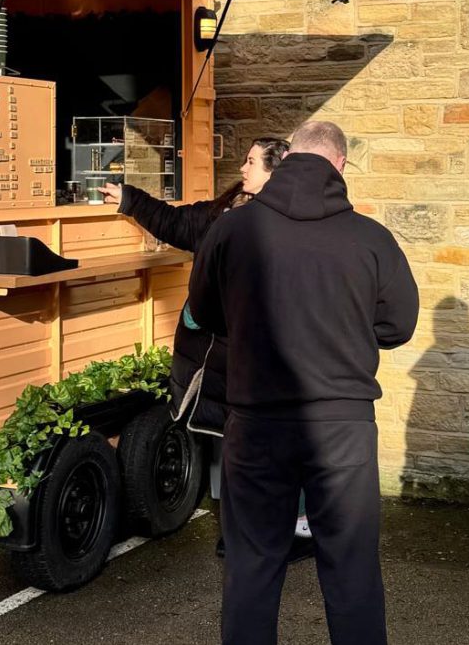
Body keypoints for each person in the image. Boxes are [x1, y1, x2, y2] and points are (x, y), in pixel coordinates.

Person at [189, 120, 418, 645]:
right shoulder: (371, 238)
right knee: (351, 567)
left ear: (289, 157)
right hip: (342, 424)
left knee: (252, 564)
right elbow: (398, 325)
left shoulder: (232, 229)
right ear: (340, 164)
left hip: (256, 419)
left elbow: (204, 311)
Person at [100, 137, 314, 556]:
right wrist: (130, 199)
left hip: (273, 360)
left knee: (275, 446)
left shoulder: (297, 222)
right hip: (226, 360)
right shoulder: (224, 214)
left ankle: (290, 530)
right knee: (241, 447)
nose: (242, 169)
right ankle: (244, 534)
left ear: (275, 171)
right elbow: (176, 223)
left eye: (251, 162)